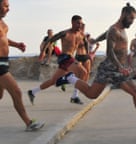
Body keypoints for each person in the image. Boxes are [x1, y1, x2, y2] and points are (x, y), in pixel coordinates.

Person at [56, 3, 136, 133]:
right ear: (123, 15)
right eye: (131, 18)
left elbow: (106, 34)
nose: (132, 22)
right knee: (92, 94)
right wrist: (121, 67)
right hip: (110, 68)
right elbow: (109, 51)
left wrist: (95, 40)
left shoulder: (119, 30)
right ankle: (70, 78)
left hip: (118, 69)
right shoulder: (114, 30)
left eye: (134, 19)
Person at [0, 0, 44, 131]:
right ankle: (29, 123)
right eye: (6, 6)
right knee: (16, 92)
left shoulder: (3, 23)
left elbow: (3, 39)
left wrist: (17, 45)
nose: (8, 9)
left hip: (4, 61)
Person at [28, 15, 87, 105]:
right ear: (72, 23)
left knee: (53, 81)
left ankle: (33, 92)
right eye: (78, 23)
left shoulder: (81, 34)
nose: (80, 25)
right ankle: (74, 96)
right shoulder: (65, 33)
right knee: (83, 72)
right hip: (65, 57)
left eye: (81, 23)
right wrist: (43, 52)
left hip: (70, 58)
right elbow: (50, 40)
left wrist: (88, 54)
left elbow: (85, 42)